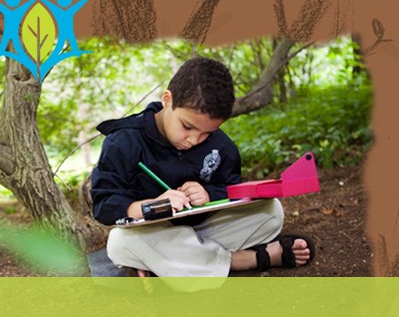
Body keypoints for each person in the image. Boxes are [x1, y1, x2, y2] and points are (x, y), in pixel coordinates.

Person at [90, 57, 314, 282]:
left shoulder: (222, 147)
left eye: (207, 133)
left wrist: (209, 194)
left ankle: (168, 263)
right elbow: (104, 205)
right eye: (187, 126)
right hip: (153, 234)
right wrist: (149, 206)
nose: (194, 140)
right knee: (120, 242)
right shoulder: (123, 142)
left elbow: (232, 190)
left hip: (203, 229)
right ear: (168, 100)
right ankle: (244, 260)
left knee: (271, 212)